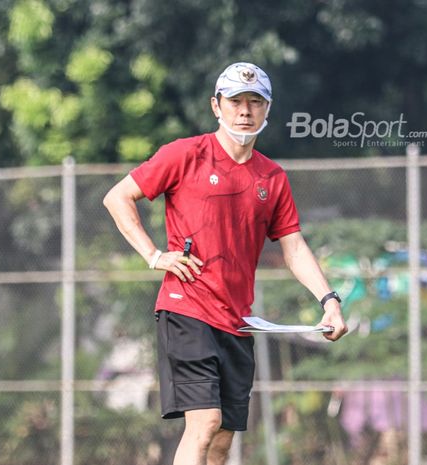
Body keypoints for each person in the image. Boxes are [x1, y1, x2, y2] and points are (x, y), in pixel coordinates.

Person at [103, 62, 348, 465]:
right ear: (216, 106)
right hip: (186, 310)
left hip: (237, 322)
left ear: (268, 110)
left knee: (221, 441)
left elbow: (295, 247)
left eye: (255, 102)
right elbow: (118, 197)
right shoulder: (185, 154)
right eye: (235, 101)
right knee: (204, 423)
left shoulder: (272, 176)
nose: (245, 111)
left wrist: (329, 300)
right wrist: (154, 255)